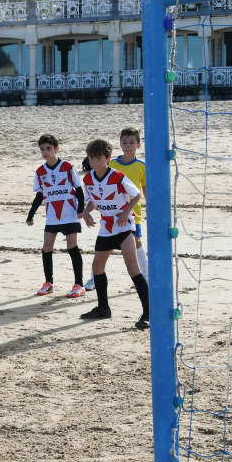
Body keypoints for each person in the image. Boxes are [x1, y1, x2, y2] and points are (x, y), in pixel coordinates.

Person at [78, 138, 150, 329]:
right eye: (91, 158)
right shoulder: (88, 179)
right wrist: (86, 212)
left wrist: (126, 212)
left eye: (98, 158)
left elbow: (136, 195)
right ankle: (103, 308)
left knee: (133, 268)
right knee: (97, 268)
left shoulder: (117, 176)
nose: (94, 162)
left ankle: (148, 313)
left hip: (125, 226)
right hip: (106, 228)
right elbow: (94, 199)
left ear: (108, 158)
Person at [26, 134, 86, 298]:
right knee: (46, 248)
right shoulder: (40, 172)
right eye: (42, 149)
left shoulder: (67, 167)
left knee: (71, 247)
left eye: (48, 149)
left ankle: (79, 284)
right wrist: (31, 215)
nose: (45, 152)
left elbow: (79, 190)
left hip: (69, 214)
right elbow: (40, 196)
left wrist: (81, 209)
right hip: (52, 216)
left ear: (56, 149)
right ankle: (48, 283)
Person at [112, 128, 149, 279]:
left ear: (138, 145)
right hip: (113, 210)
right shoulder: (112, 164)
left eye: (131, 142)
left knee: (136, 241)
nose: (127, 145)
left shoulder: (142, 166)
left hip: (134, 211)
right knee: (105, 246)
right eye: (124, 142)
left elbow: (145, 189)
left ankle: (146, 274)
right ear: (120, 144)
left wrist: (151, 207)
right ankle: (94, 277)